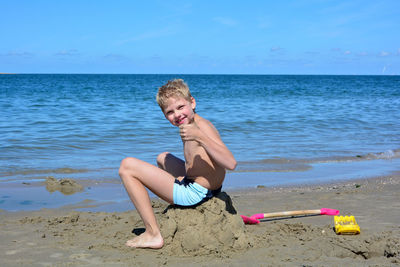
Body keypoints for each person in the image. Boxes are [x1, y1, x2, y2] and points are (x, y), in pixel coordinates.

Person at [119, 79, 237, 249]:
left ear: (192, 102)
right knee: (163, 157)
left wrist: (199, 136)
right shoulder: (193, 123)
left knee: (127, 166)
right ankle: (178, 189)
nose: (177, 114)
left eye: (181, 107)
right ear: (165, 116)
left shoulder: (200, 129)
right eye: (170, 112)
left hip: (196, 194)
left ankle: (153, 234)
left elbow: (231, 163)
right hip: (210, 187)